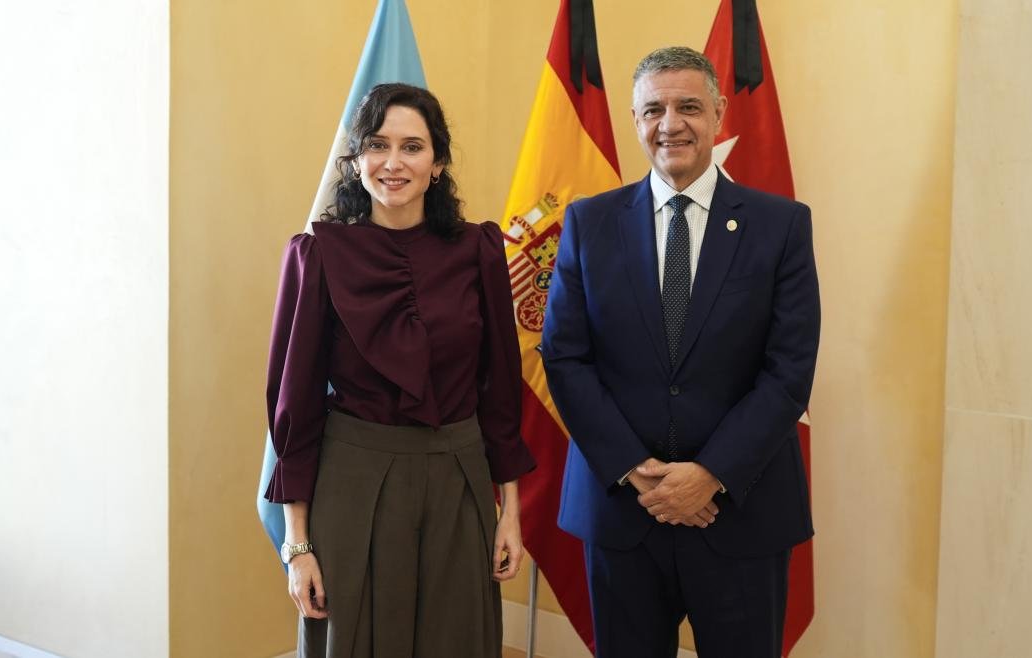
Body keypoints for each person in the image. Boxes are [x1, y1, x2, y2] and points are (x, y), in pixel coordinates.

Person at [542, 47, 820, 658]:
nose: (670, 124)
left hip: (739, 514)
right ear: (635, 120)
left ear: (719, 113)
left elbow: (789, 368)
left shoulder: (781, 225)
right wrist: (638, 470)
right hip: (622, 511)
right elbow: (564, 357)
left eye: (689, 106)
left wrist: (710, 475)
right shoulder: (589, 223)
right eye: (653, 109)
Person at [263, 83, 536, 658]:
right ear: (357, 158)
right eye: (378, 145)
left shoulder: (480, 250)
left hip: (459, 480)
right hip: (351, 483)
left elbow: (501, 392)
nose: (393, 162)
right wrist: (298, 544)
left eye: (412, 146)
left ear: (437, 163)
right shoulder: (316, 256)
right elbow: (295, 406)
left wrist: (510, 513)